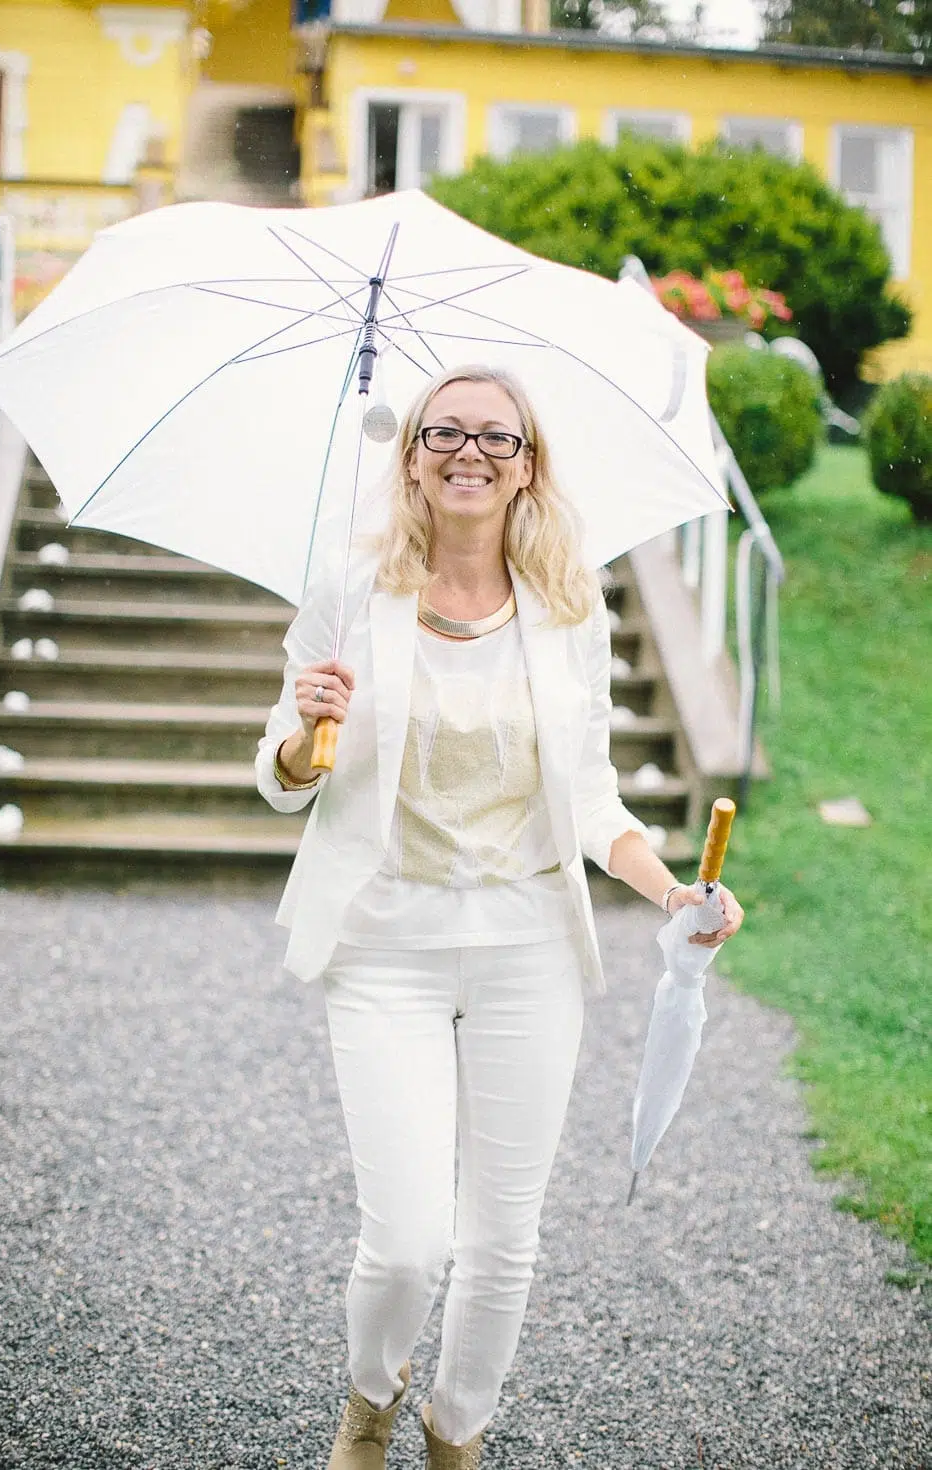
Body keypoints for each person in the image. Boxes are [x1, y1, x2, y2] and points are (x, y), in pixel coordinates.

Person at [255, 365, 744, 1469]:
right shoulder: (347, 593)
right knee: (405, 1244)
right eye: (445, 433)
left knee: (502, 1243)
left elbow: (590, 797)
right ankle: (371, 1400)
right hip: (384, 942)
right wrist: (303, 729)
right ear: (411, 455)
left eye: (497, 438)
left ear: (528, 468)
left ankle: (454, 1429)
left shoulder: (570, 609)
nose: (469, 452)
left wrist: (674, 894)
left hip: (526, 948)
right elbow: (282, 776)